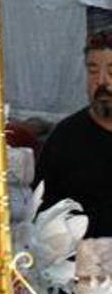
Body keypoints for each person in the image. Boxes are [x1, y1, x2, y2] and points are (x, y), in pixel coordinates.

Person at [35, 30, 112, 238]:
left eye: (111, 72)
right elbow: (41, 213)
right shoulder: (65, 138)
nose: (102, 82)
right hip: (82, 262)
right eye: (93, 71)